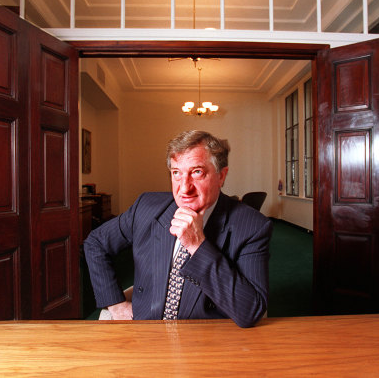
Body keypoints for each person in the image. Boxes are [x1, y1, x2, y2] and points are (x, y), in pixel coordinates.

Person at [84, 130, 272, 328]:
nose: (184, 188)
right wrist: (116, 305)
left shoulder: (252, 227)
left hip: (205, 339)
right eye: (176, 173)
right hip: (143, 333)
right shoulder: (146, 207)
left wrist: (198, 245)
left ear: (221, 176)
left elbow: (250, 311)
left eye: (197, 172)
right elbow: (96, 243)